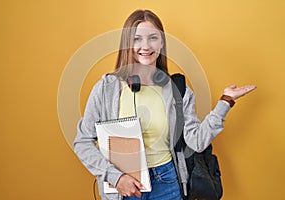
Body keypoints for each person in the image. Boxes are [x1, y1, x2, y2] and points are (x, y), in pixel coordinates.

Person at [73, 9, 256, 200]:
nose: (146, 46)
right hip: (124, 187)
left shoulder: (177, 90)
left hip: (167, 182)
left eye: (153, 38)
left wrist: (225, 102)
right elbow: (82, 142)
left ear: (161, 43)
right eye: (137, 39)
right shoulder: (106, 88)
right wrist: (115, 177)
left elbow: (196, 141)